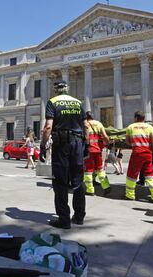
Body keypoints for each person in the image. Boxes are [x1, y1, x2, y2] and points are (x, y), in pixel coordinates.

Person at [40, 80, 87, 229]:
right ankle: (79, 217)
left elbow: (48, 126)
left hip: (62, 144)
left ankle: (64, 219)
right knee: (78, 180)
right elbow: (86, 125)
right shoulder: (78, 102)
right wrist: (86, 144)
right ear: (67, 89)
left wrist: (43, 146)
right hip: (77, 143)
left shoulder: (52, 102)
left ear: (55, 90)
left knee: (60, 182)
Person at [125, 111, 153, 203]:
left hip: (137, 153)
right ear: (144, 118)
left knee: (132, 173)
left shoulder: (131, 127)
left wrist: (134, 143)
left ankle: (130, 195)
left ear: (136, 118)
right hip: (147, 153)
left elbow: (127, 141)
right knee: (149, 174)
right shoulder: (149, 127)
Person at [83, 111, 111, 196]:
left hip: (88, 151)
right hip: (98, 151)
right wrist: (108, 144)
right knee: (100, 169)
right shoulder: (99, 124)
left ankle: (90, 190)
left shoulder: (85, 124)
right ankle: (106, 187)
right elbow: (105, 136)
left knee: (88, 170)